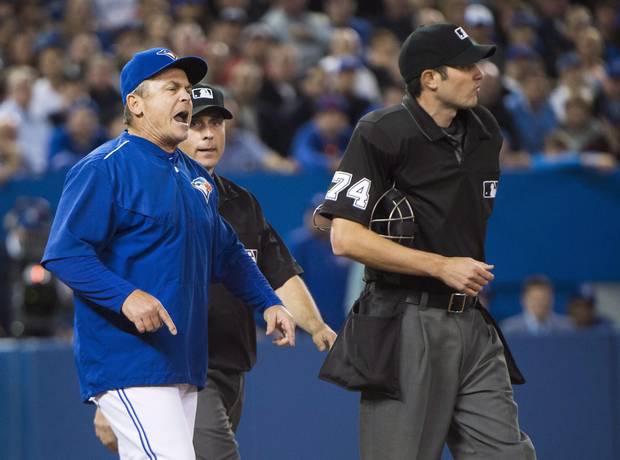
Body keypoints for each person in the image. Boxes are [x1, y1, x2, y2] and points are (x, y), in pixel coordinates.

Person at [41, 48, 296, 460]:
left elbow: (228, 253)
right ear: (135, 104)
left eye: (188, 89)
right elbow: (66, 254)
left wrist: (268, 302)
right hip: (129, 359)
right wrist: (125, 295)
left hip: (183, 362)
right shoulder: (104, 167)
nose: (186, 98)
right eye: (172, 88)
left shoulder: (193, 176)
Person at [318, 23, 536, 459]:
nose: (480, 74)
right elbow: (343, 236)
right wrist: (439, 265)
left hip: (472, 321)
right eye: (466, 65)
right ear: (430, 79)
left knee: (509, 454)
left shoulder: (485, 131)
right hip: (406, 319)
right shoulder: (382, 131)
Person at [93, 83, 337, 459]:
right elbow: (114, 286)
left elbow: (278, 272)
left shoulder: (241, 203)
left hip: (232, 369)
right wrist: (111, 393)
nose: (208, 133)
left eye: (217, 124)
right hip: (178, 368)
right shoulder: (150, 198)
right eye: (195, 123)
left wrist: (316, 326)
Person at [501, 276, 574, 335]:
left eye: (543, 298)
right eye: (534, 299)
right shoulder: (509, 329)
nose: (539, 303)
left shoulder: (566, 327)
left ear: (552, 299)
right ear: (523, 300)